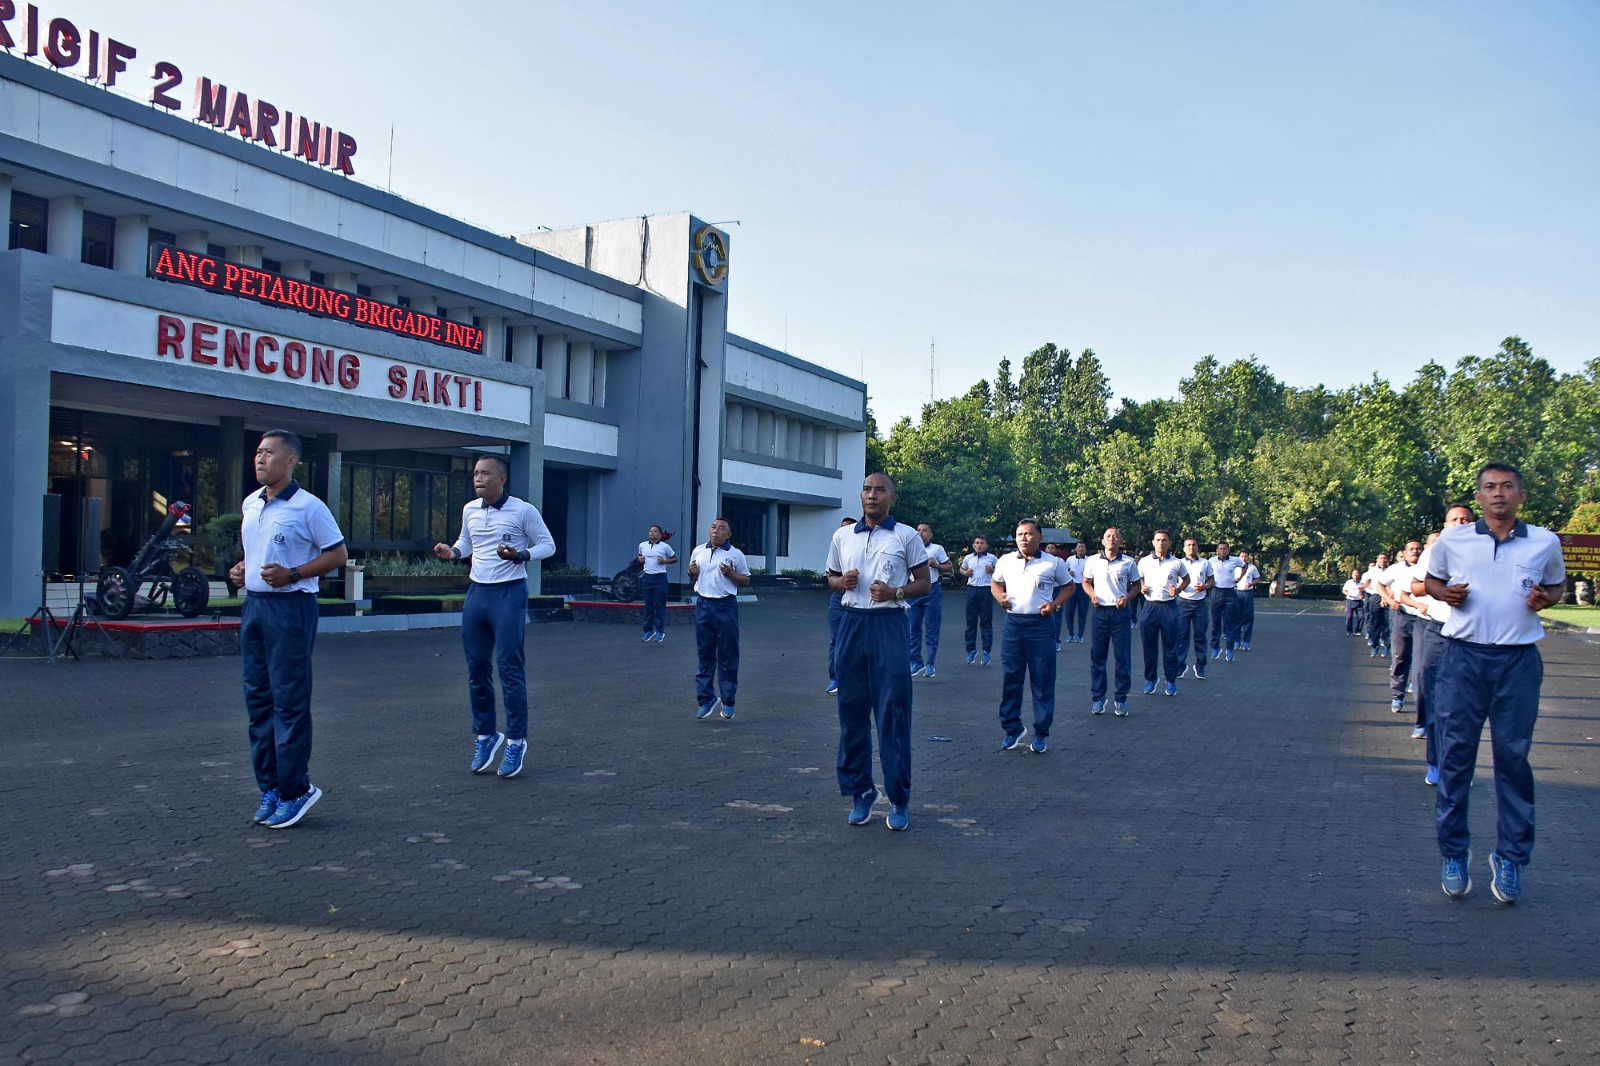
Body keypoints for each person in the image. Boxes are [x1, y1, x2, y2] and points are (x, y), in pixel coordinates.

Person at [1425, 463, 1565, 904]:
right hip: (1463, 659)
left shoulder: (1544, 541)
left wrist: (1545, 599)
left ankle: (1511, 858)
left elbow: (1556, 586)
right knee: (1455, 758)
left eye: (1507, 486)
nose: (1498, 493)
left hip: (1517, 661)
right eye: (1489, 487)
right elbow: (1433, 581)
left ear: (1521, 495)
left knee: (1513, 760)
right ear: (1479, 496)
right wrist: (1444, 594)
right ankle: (1453, 853)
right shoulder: (1454, 541)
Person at [233, 430, 347, 828]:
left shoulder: (308, 507)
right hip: (255, 607)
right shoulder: (251, 503)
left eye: (269, 453)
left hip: (291, 608)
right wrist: (242, 570)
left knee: (289, 701)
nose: (260, 458)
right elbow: (258, 552)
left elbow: (338, 554)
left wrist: (294, 573)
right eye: (258, 452)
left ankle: (296, 789)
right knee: (258, 700)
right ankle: (270, 787)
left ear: (291, 460)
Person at [434, 455, 557, 779]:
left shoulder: (523, 510)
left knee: (509, 668)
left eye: (485, 473)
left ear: (502, 479)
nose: (478, 478)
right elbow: (467, 542)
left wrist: (521, 554)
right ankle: (486, 736)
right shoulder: (470, 510)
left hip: (509, 593)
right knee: (477, 668)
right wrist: (453, 552)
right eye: (475, 473)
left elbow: (548, 545)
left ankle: (516, 741)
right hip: (477, 594)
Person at [826, 473, 931, 831]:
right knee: (851, 711)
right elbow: (831, 578)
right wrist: (841, 583)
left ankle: (899, 798)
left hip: (889, 625)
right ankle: (861, 792)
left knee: (892, 712)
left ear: (892, 498)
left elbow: (924, 583)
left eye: (880, 490)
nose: (872, 495)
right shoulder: (842, 536)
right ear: (861, 496)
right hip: (851, 624)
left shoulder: (906, 535)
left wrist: (895, 593)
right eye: (867, 490)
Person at [990, 520, 1076, 752]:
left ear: (1040, 537)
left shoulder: (1053, 563)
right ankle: (1012, 728)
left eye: (1028, 534)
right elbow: (995, 583)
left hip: (1040, 626)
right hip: (1013, 624)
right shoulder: (1006, 560)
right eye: (1019, 534)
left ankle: (1041, 732)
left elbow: (1069, 587)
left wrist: (1054, 605)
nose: (1023, 538)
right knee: (1011, 676)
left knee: (1042, 679)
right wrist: (1000, 598)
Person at [1409, 505, 1477, 780]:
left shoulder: (1487, 549)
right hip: (1439, 630)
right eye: (1454, 519)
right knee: (1434, 697)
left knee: (1466, 705)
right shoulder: (1434, 551)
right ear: (1445, 525)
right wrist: (1441, 589)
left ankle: (1460, 766)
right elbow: (1414, 587)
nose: (1460, 523)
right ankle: (1436, 763)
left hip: (1473, 635)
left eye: (1466, 519)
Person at [687, 518, 751, 720]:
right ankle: (706, 699)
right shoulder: (698, 551)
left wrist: (730, 573)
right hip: (703, 605)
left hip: (725, 606)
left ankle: (728, 701)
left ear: (729, 534)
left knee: (727, 655)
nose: (716, 531)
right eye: (713, 527)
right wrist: (692, 574)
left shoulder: (735, 554)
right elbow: (694, 576)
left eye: (722, 528)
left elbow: (746, 580)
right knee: (704, 654)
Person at [1083, 527, 1141, 716]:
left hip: (1120, 613)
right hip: (1100, 611)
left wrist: (1127, 598)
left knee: (1122, 657)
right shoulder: (1093, 561)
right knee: (1097, 656)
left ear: (1120, 541)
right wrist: (1092, 595)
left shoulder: (1128, 562)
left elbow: (1137, 585)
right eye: (1108, 536)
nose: (1111, 539)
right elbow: (1086, 582)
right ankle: (1098, 697)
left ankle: (1121, 699)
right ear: (1102, 540)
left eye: (1115, 536)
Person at [1137, 531, 1190, 697]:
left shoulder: (1176, 563)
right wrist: (1142, 587)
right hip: (1150, 606)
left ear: (1169, 543)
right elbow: (1138, 579)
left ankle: (1170, 679)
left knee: (1170, 647)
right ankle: (1150, 678)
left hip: (1169, 607)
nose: (1161, 543)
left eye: (1164, 540)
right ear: (1153, 542)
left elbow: (1186, 579)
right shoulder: (1144, 562)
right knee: (1149, 646)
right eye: (1158, 540)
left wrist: (1178, 589)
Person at [907, 523, 953, 678]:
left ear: (931, 534)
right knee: (913, 628)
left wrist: (936, 565)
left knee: (932, 628)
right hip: (914, 590)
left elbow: (949, 566)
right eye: (918, 530)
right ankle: (916, 661)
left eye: (924, 530)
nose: (921, 532)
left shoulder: (937, 549)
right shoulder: (910, 548)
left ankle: (930, 663)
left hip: (932, 590)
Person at [1382, 541, 1423, 712]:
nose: (1415, 551)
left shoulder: (1429, 567)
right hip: (1402, 616)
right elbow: (1380, 584)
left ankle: (1418, 691)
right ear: (1404, 553)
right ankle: (1397, 696)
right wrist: (1389, 599)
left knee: (1422, 659)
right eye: (1411, 549)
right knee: (1400, 656)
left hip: (1424, 618)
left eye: (1418, 549)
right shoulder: (1396, 569)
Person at [825, 516, 857, 694]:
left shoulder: (861, 550)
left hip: (858, 601)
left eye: (849, 528)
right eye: (843, 528)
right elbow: (830, 576)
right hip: (839, 599)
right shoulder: (837, 549)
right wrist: (841, 581)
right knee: (836, 639)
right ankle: (835, 678)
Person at [1176, 537, 1213, 679]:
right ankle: (1180, 665)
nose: (1191, 547)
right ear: (1184, 548)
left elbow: (1211, 579)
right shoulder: (1178, 563)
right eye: (1188, 545)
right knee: (1182, 635)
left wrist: (1205, 586)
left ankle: (1200, 665)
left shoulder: (1205, 563)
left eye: (1194, 545)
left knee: (1200, 635)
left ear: (1198, 547)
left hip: (1200, 603)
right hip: (1183, 602)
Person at [960, 535, 998, 666]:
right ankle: (970, 650)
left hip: (986, 590)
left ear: (986, 545)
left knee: (986, 622)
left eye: (982, 543)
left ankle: (986, 651)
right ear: (973, 545)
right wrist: (965, 573)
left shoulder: (992, 558)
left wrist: (992, 570)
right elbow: (962, 568)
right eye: (977, 543)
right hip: (972, 590)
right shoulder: (968, 558)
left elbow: (1000, 572)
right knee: (970, 622)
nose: (979, 545)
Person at [635, 525, 677, 643]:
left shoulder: (665, 547)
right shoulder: (642, 545)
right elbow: (639, 556)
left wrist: (664, 561)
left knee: (659, 605)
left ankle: (660, 631)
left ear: (660, 534)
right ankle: (648, 630)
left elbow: (675, 558)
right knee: (648, 605)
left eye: (654, 531)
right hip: (647, 577)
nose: (652, 533)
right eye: (650, 531)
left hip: (660, 578)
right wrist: (639, 559)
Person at [1208, 541, 1239, 662]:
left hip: (1230, 592)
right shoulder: (1211, 561)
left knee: (1229, 622)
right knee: (1215, 621)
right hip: (1217, 591)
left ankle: (1230, 648)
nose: (1222, 551)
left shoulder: (1234, 560)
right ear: (1217, 550)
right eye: (1220, 549)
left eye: (1224, 549)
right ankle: (1215, 647)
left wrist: (1239, 577)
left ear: (1228, 550)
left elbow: (1244, 566)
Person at [1361, 552, 1392, 658]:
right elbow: (1367, 582)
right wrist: (1363, 588)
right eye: (1381, 558)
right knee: (1375, 621)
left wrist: (1387, 596)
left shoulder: (1391, 570)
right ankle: (1375, 645)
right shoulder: (1373, 570)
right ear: (1377, 560)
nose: (1383, 560)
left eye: (1385, 558)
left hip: (1387, 596)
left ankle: (1387, 646)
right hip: (1376, 596)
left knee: (1387, 623)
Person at [1233, 550, 1260, 650]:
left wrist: (1251, 583)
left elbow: (1257, 578)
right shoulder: (1234, 567)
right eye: (1241, 556)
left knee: (1248, 617)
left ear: (1248, 558)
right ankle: (1237, 640)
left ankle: (1246, 641)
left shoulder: (1252, 568)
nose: (1243, 558)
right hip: (1236, 592)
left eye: (1245, 557)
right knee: (1236, 617)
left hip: (1247, 593)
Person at [1064, 541, 1090, 644]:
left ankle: (1080, 635)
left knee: (1082, 612)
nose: (1081, 549)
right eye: (1079, 547)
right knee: (1069, 611)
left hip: (1084, 587)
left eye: (1083, 547)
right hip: (1072, 586)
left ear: (1085, 549)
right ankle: (1070, 633)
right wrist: (1068, 572)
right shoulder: (1070, 559)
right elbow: (1064, 571)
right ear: (1076, 548)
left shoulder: (1089, 560)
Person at [1342, 569, 1365, 635]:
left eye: (1357, 573)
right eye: (1354, 574)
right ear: (1352, 575)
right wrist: (1348, 594)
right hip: (1350, 601)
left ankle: (1358, 631)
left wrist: (1362, 595)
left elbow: (1364, 592)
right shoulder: (1348, 582)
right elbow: (1344, 590)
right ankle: (1349, 630)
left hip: (1359, 602)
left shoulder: (1362, 583)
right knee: (1349, 617)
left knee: (1361, 617)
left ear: (1359, 575)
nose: (1355, 575)